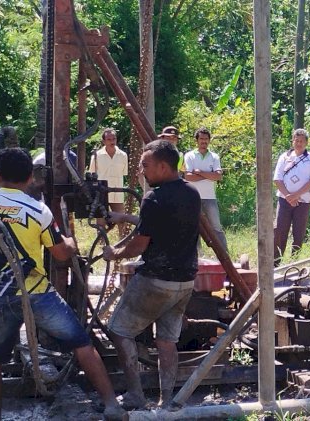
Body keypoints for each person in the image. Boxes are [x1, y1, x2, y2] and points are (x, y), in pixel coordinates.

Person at [0, 148, 125, 420]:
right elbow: (60, 253)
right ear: (29, 178)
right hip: (37, 293)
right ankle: (112, 406)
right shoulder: (39, 210)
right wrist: (72, 242)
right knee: (82, 344)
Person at [102, 140, 201, 409]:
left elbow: (140, 244)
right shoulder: (192, 193)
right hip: (184, 282)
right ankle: (166, 399)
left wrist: (114, 254)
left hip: (155, 281)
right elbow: (161, 224)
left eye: (145, 165)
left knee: (119, 331)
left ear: (163, 166)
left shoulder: (153, 197)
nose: (141, 170)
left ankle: (135, 394)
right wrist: (123, 218)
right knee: (167, 341)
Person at [273, 128, 310, 266]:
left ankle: (294, 262)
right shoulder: (284, 157)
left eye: (301, 141)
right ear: (292, 141)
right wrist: (288, 196)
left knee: (298, 232)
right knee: (279, 229)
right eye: (296, 140)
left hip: (303, 201)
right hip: (284, 199)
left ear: (306, 142)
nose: (298, 143)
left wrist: (296, 195)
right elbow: (277, 179)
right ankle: (276, 262)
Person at [184, 128, 227, 252]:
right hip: (193, 197)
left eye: (206, 139)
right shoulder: (190, 156)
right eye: (201, 139)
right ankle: (197, 256)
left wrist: (200, 172)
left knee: (216, 227)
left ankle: (224, 255)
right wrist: (209, 175)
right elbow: (188, 176)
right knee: (194, 227)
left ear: (209, 141)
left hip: (210, 197)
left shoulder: (214, 157)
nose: (204, 141)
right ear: (196, 140)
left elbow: (218, 176)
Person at [89, 128, 129, 234]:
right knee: (100, 221)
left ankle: (123, 242)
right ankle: (101, 243)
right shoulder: (97, 156)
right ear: (104, 141)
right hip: (101, 193)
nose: (112, 141)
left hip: (117, 192)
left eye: (114, 138)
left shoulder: (123, 155)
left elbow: (124, 173)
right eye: (109, 139)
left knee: (122, 219)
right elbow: (92, 174)